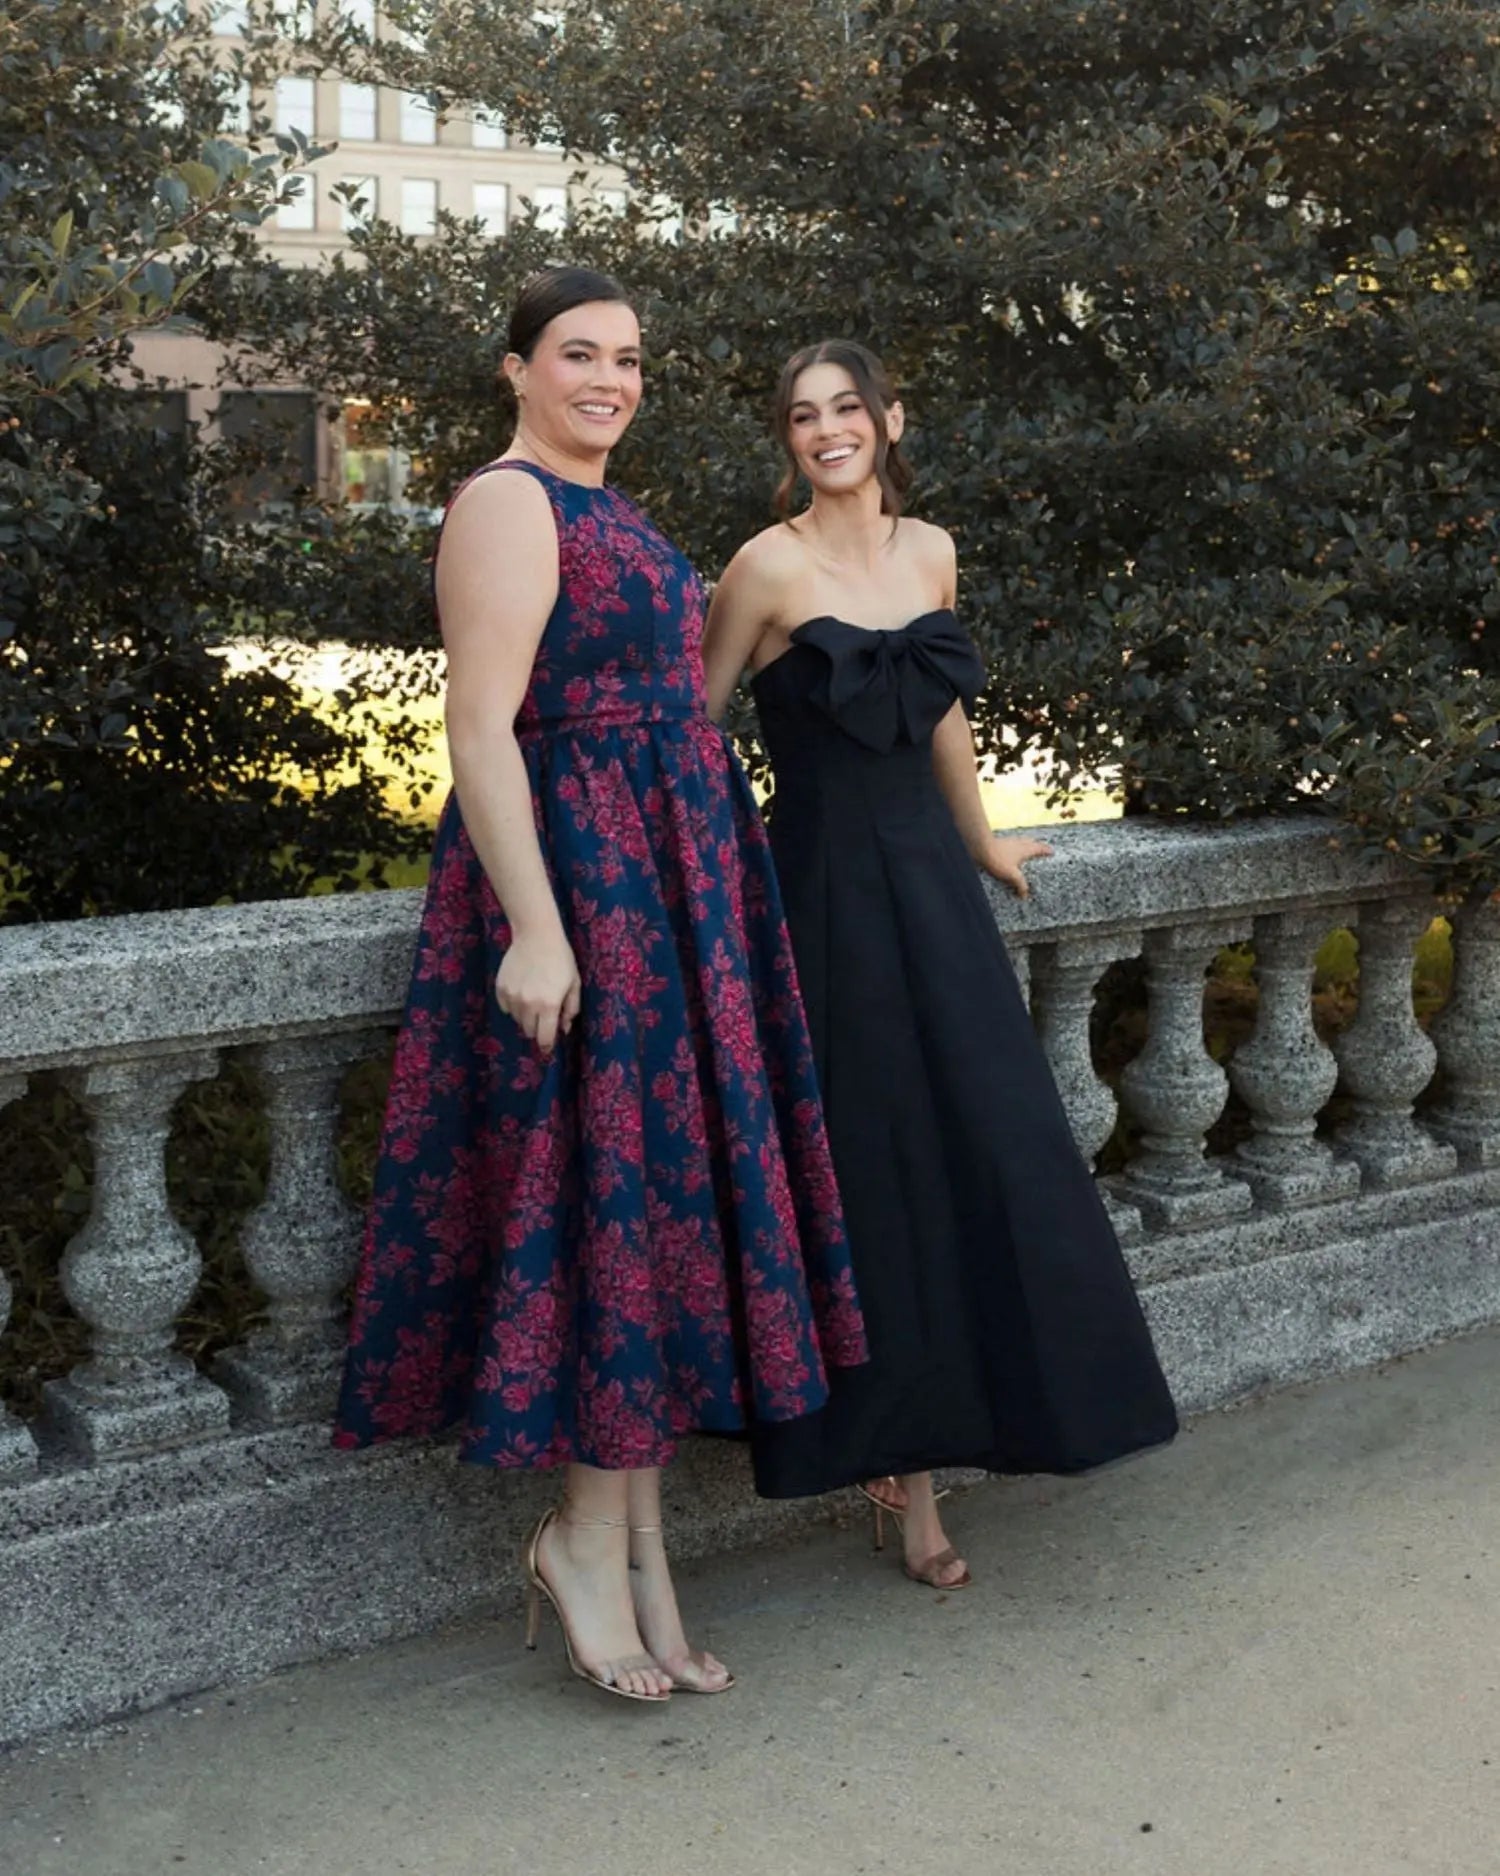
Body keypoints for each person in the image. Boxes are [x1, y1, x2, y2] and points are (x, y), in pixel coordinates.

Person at [334, 273, 867, 1701]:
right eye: (581, 354)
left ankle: (634, 1555)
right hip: (587, 883)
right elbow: (481, 728)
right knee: (600, 1194)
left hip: (669, 881)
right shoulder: (508, 502)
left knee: (645, 1201)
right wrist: (537, 927)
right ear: (517, 367)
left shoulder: (614, 508)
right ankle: (583, 1544)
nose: (611, 379)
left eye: (630, 358)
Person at [702, 338, 1178, 1590]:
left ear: (889, 418)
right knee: (868, 1170)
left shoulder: (931, 552)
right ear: (788, 438)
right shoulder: (763, 567)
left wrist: (981, 840)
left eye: (846, 408)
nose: (826, 430)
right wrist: (689, 888)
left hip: (930, 890)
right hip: (817, 902)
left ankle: (978, 1437)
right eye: (802, 415)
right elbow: (690, 736)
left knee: (990, 1145)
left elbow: (942, 710)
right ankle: (905, 1498)